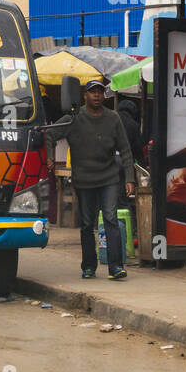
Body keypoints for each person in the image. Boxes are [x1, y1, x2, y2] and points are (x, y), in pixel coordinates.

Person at [45, 79, 136, 280]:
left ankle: (115, 266)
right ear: (85, 96)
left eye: (100, 92)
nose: (96, 95)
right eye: (92, 92)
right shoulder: (74, 118)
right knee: (87, 224)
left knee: (111, 219)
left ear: (104, 96)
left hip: (109, 177)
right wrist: (50, 156)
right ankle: (88, 266)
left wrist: (130, 178)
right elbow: (49, 134)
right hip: (84, 179)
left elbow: (126, 150)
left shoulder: (113, 118)